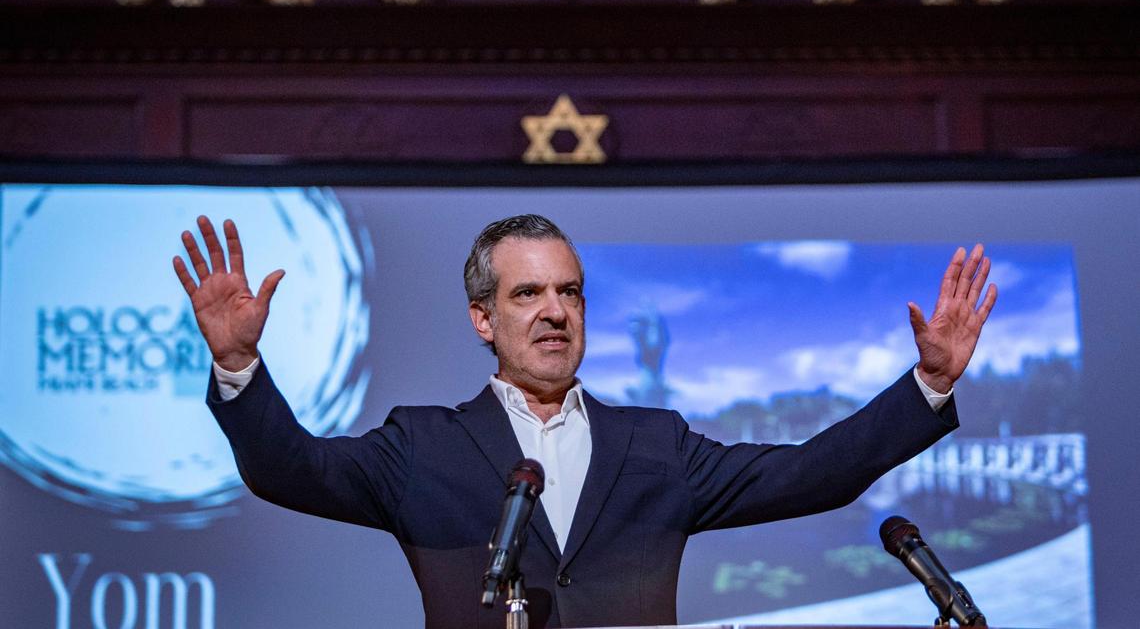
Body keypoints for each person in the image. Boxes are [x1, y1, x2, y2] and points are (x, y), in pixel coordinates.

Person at [174, 213, 997, 629]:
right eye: (527, 293)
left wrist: (924, 383)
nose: (554, 311)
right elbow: (291, 468)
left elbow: (812, 473)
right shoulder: (421, 445)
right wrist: (238, 366)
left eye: (569, 291)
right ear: (482, 319)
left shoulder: (656, 443)